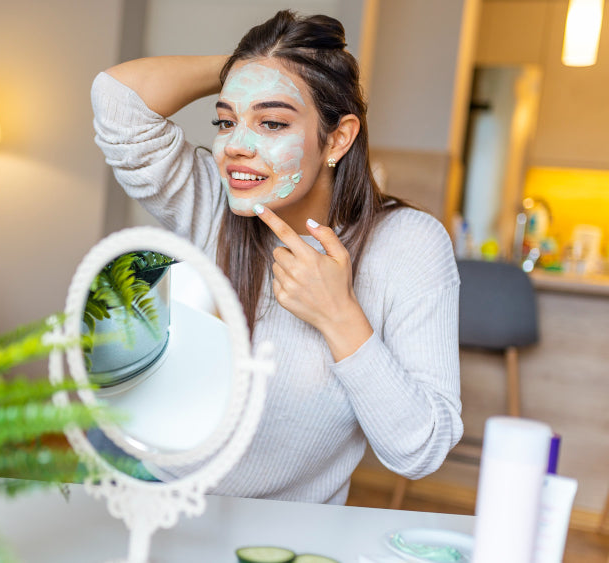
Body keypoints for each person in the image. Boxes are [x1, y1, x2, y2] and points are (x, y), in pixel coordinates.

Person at [90, 10, 462, 504]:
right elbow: (117, 99)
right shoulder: (211, 202)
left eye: (271, 122)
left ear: (338, 138)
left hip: (283, 535)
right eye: (226, 121)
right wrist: (258, 64)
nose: (235, 147)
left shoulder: (409, 244)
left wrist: (339, 317)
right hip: (143, 483)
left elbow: (422, 450)